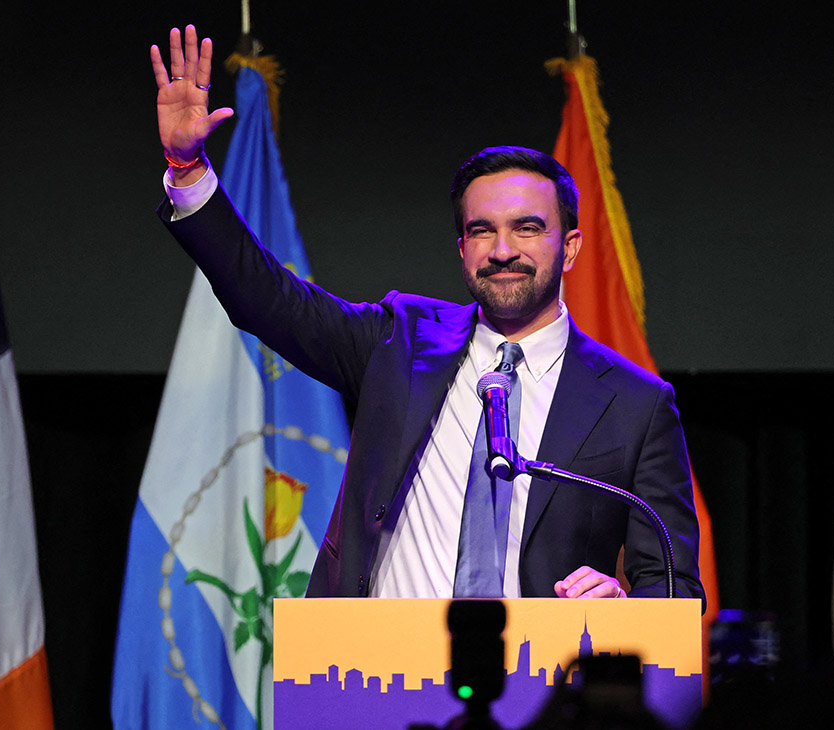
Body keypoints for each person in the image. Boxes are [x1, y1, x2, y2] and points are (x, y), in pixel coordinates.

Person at [149, 26, 703, 603]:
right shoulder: (399, 341)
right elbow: (270, 300)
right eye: (481, 230)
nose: (503, 249)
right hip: (373, 673)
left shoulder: (636, 405)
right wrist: (189, 175)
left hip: (542, 682)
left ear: (569, 248)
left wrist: (620, 607)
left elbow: (673, 586)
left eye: (528, 229)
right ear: (462, 249)